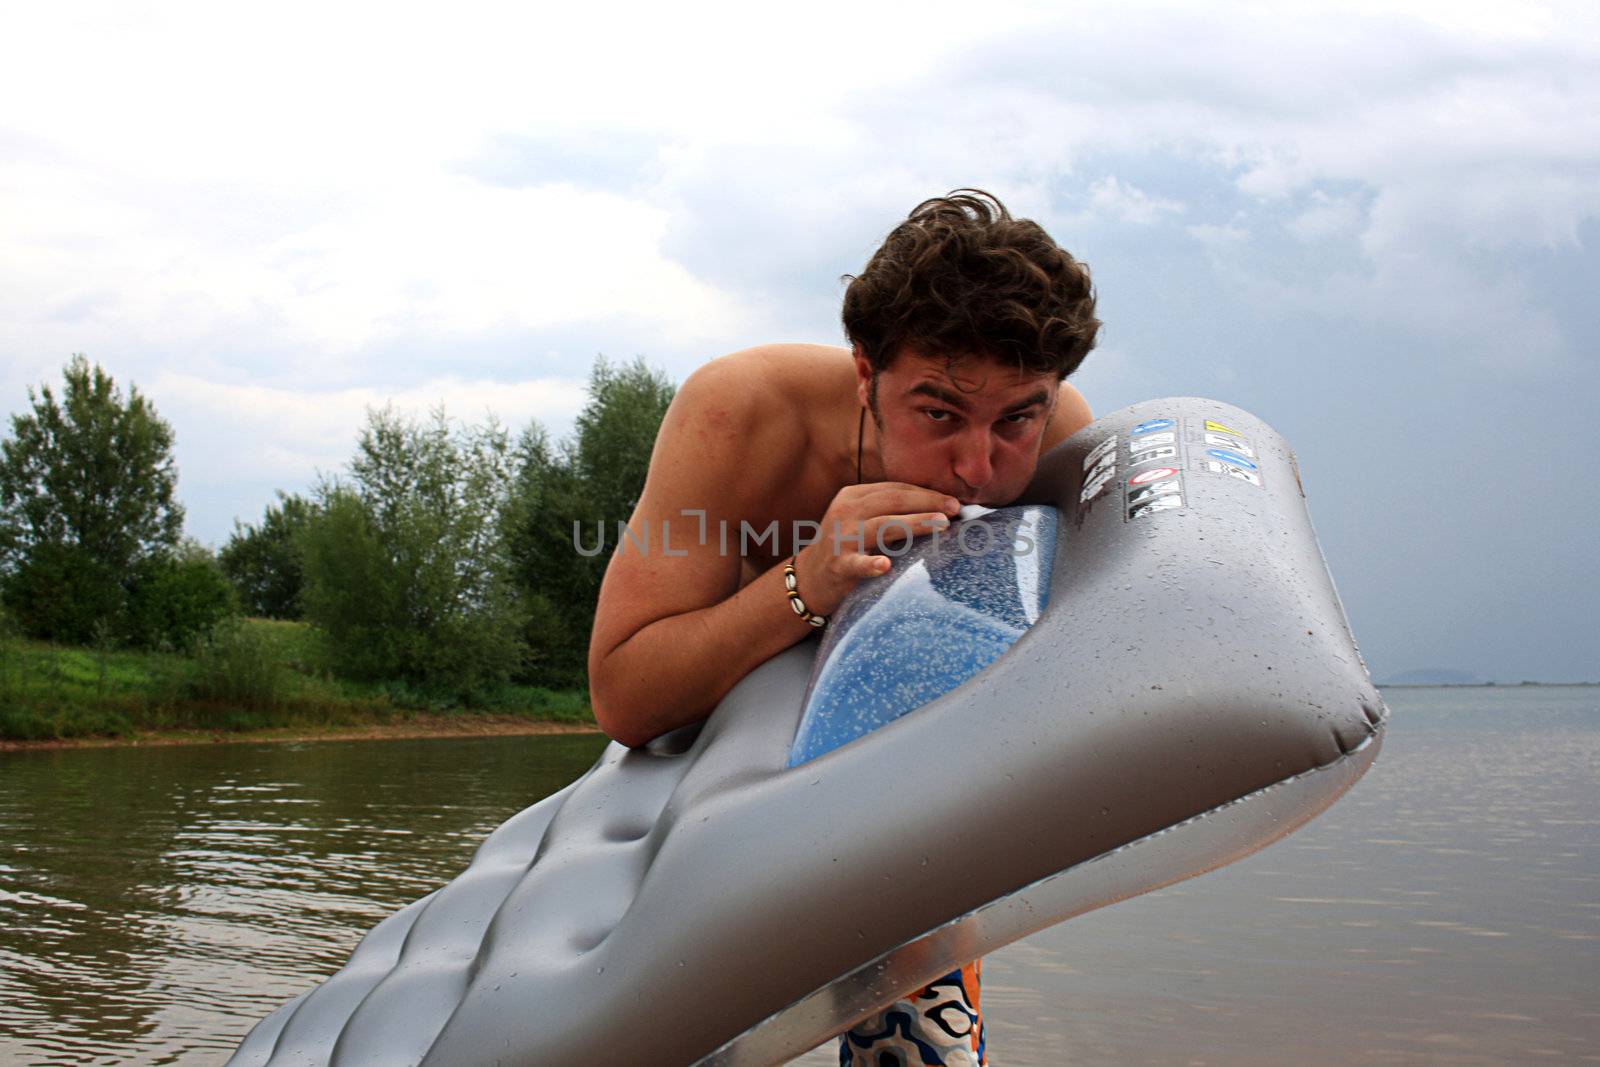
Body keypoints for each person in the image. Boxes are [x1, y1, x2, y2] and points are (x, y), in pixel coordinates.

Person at [587, 189, 1100, 1066]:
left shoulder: (1062, 435)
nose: (980, 466)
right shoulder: (740, 414)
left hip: (896, 788)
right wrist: (807, 578)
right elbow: (624, 693)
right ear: (866, 373)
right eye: (938, 412)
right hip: (704, 780)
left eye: (1018, 417)